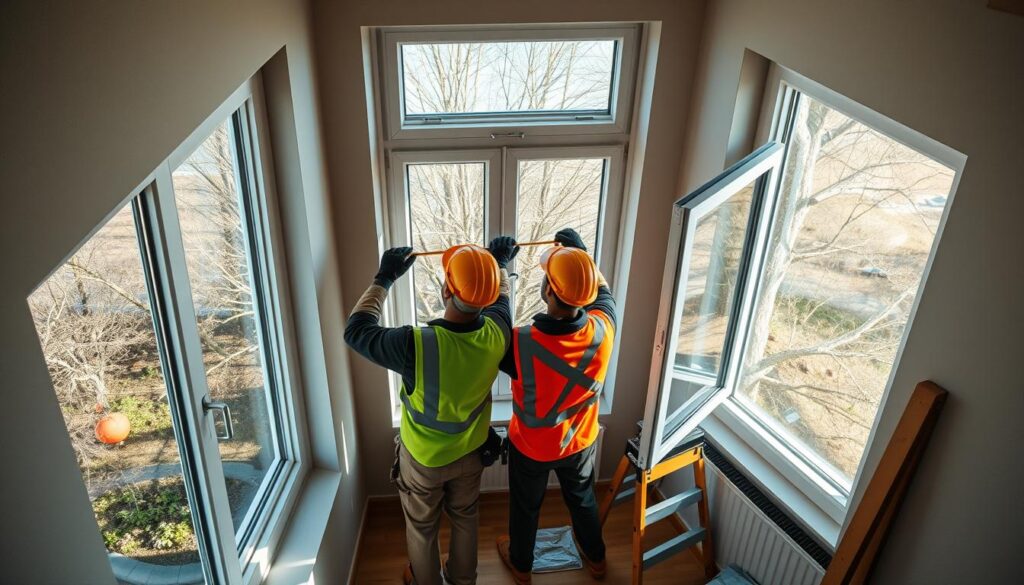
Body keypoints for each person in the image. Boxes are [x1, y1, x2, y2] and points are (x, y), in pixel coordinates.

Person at [344, 236, 520, 585]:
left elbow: (356, 331)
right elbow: (501, 299)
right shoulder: (498, 332)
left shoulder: (415, 344)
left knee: (423, 528)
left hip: (424, 461)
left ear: (445, 291)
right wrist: (497, 262)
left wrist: (384, 279)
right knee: (465, 517)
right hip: (471, 453)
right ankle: (463, 581)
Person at [496, 228, 616, 585]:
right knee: (582, 500)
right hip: (579, 443)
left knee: (525, 508)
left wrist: (500, 268)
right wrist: (582, 255)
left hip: (532, 447)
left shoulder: (518, 343)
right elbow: (604, 293)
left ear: (547, 290)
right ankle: (597, 560)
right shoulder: (604, 328)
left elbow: (492, 326)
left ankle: (521, 566)